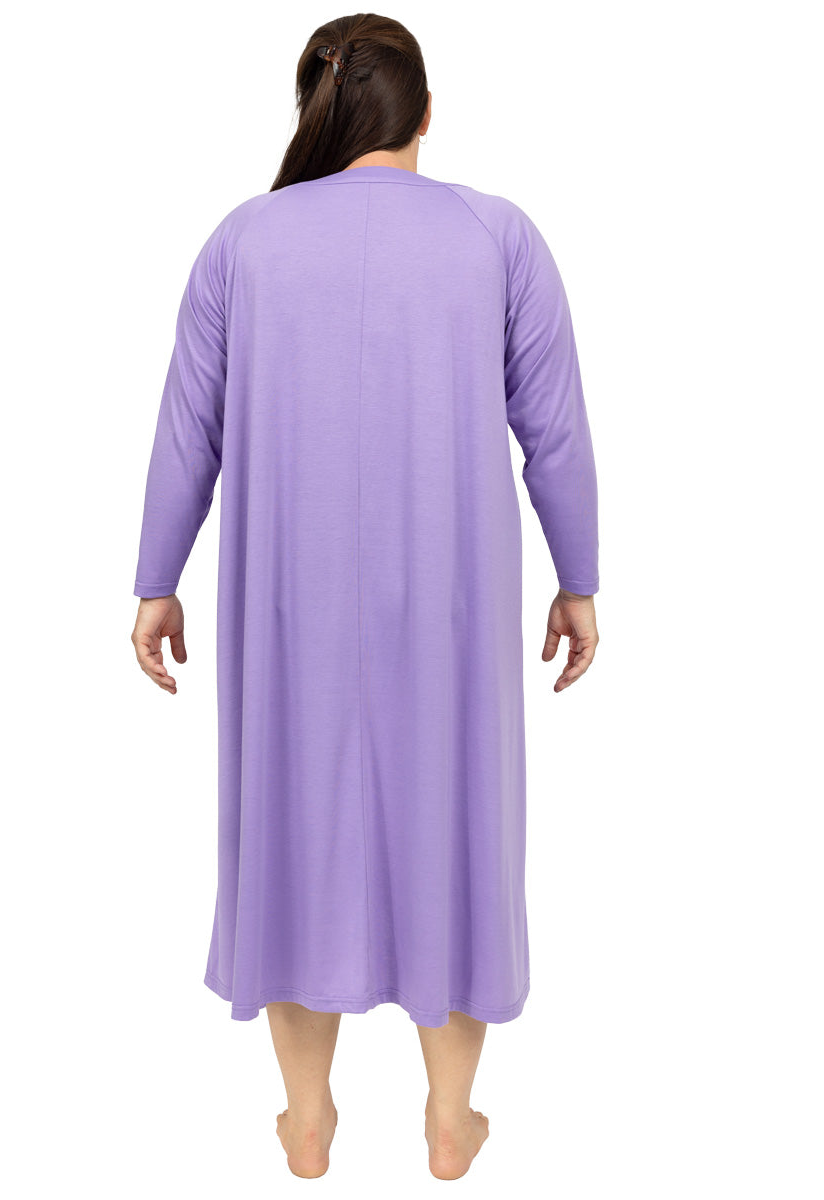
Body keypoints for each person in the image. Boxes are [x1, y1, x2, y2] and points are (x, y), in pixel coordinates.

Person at [131, 13, 599, 1181]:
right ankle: (450, 1116)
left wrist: (156, 581)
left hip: (288, 607)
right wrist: (579, 579)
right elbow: (555, 434)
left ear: (317, 110)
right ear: (427, 113)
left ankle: (306, 1118)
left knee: (291, 830)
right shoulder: (498, 236)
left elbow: (188, 433)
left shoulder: (244, 241)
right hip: (452, 608)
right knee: (458, 830)